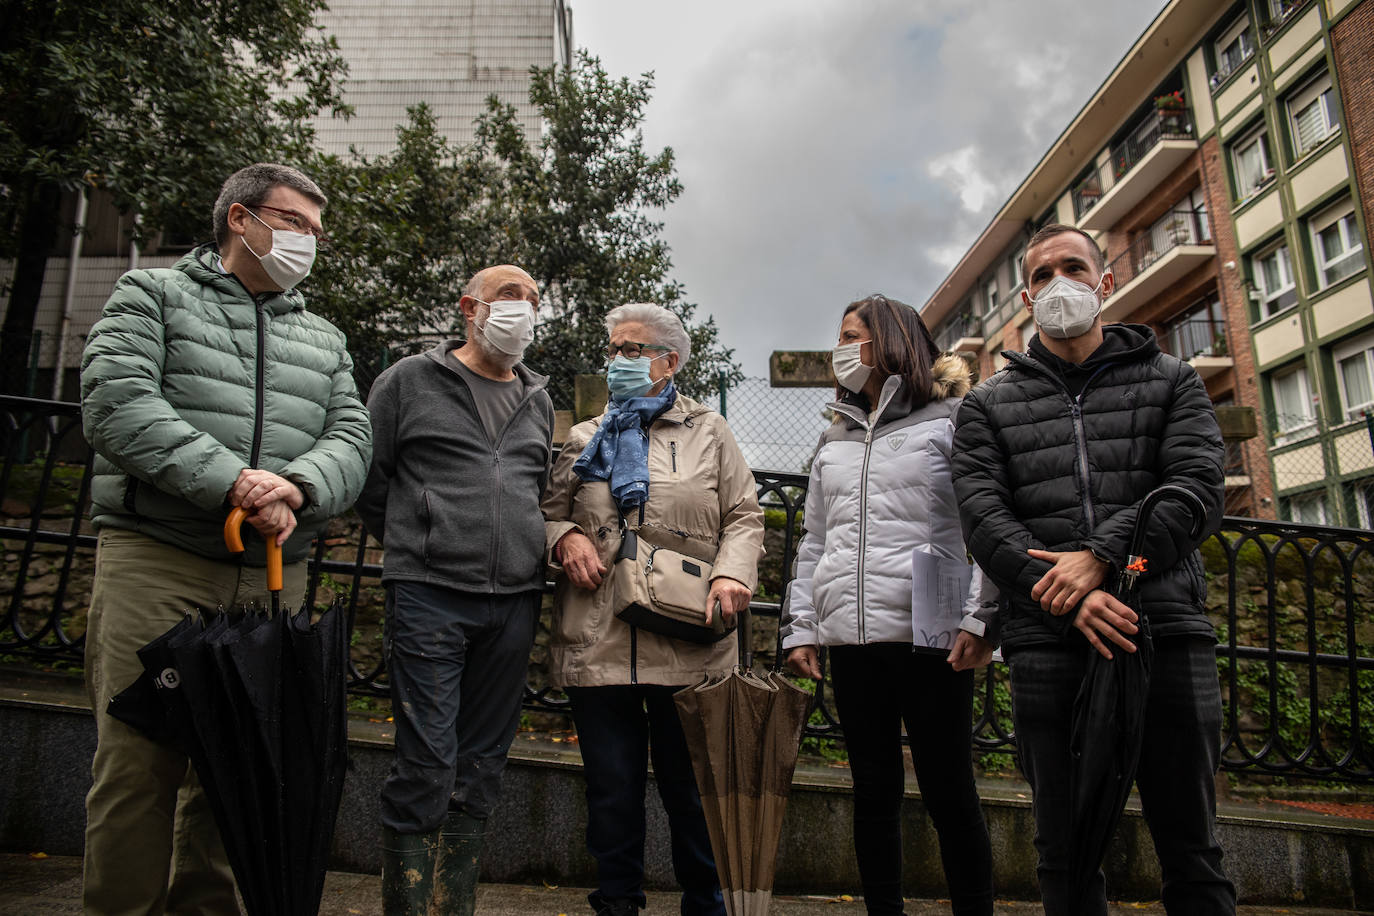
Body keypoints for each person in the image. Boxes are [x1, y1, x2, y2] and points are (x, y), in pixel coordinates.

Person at [79, 162, 373, 915]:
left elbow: (351, 436)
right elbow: (118, 404)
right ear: (241, 220)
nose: (309, 240)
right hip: (160, 558)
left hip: (273, 570)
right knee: (138, 763)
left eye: (317, 229)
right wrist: (238, 484)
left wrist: (298, 487)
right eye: (296, 221)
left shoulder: (323, 336)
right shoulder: (151, 295)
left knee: (236, 769)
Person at [951, 224, 1236, 915]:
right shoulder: (987, 406)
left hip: (1161, 628)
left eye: (1072, 267)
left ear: (1104, 283)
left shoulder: (1173, 382)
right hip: (1049, 642)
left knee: (1192, 849)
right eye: (1042, 275)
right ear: (1025, 296)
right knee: (1067, 855)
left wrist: (1105, 558)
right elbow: (985, 522)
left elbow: (1197, 489)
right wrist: (1071, 597)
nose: (1057, 284)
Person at [541, 302, 765, 916]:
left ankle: (707, 906)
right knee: (611, 792)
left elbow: (744, 516)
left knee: (694, 795)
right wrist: (565, 538)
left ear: (670, 360)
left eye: (632, 349)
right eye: (613, 349)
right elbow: (547, 513)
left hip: (689, 638)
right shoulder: (587, 437)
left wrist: (731, 574)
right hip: (598, 633)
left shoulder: (710, 431)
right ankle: (617, 905)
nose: (618, 360)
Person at [779, 294, 996, 916]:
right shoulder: (835, 435)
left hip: (934, 629)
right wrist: (801, 627)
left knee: (949, 788)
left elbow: (986, 523)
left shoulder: (955, 419)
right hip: (853, 633)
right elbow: (816, 538)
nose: (841, 348)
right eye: (839, 335)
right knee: (873, 790)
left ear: (892, 340)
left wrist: (981, 618)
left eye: (853, 336)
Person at [354, 263, 554, 916]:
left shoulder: (538, 397)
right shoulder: (409, 380)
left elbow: (536, 490)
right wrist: (421, 539)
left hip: (515, 601)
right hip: (429, 594)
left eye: (531, 298)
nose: (522, 307)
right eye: (507, 297)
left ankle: (452, 904)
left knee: (482, 766)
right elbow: (370, 477)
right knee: (427, 762)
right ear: (470, 307)